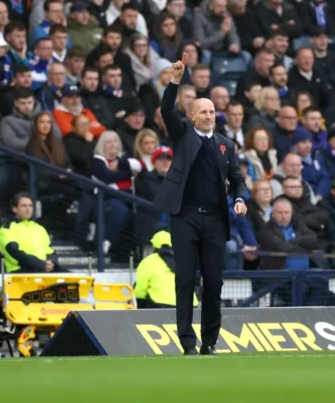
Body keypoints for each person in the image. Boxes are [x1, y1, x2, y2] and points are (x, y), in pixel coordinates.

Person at [153, 54, 247, 356]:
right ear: (192, 116)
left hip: (216, 220)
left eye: (212, 111)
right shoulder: (182, 135)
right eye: (203, 112)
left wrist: (241, 198)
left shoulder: (225, 144)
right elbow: (166, 109)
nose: (209, 115)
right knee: (184, 280)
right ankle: (187, 341)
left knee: (214, 283)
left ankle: (209, 341)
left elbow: (237, 178)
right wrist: (175, 81)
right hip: (185, 217)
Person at [0, 192, 60, 273]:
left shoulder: (39, 228)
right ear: (14, 209)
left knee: (75, 279)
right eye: (24, 206)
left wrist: (52, 263)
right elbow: (14, 253)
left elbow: (50, 250)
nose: (28, 209)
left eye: (30, 205)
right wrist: (40, 264)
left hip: (43, 269)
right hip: (20, 272)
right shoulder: (6, 229)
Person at [134, 230, 199, 309]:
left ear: (154, 246)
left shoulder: (148, 261)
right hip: (191, 305)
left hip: (162, 306)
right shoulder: (183, 259)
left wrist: (140, 305)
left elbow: (140, 289)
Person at [257, 197, 318, 270]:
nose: (284, 216)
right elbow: (282, 248)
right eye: (280, 212)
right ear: (273, 214)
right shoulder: (266, 230)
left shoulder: (298, 224)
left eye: (286, 212)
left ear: (291, 213)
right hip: (279, 275)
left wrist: (293, 241)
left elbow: (313, 240)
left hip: (305, 273)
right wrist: (306, 250)